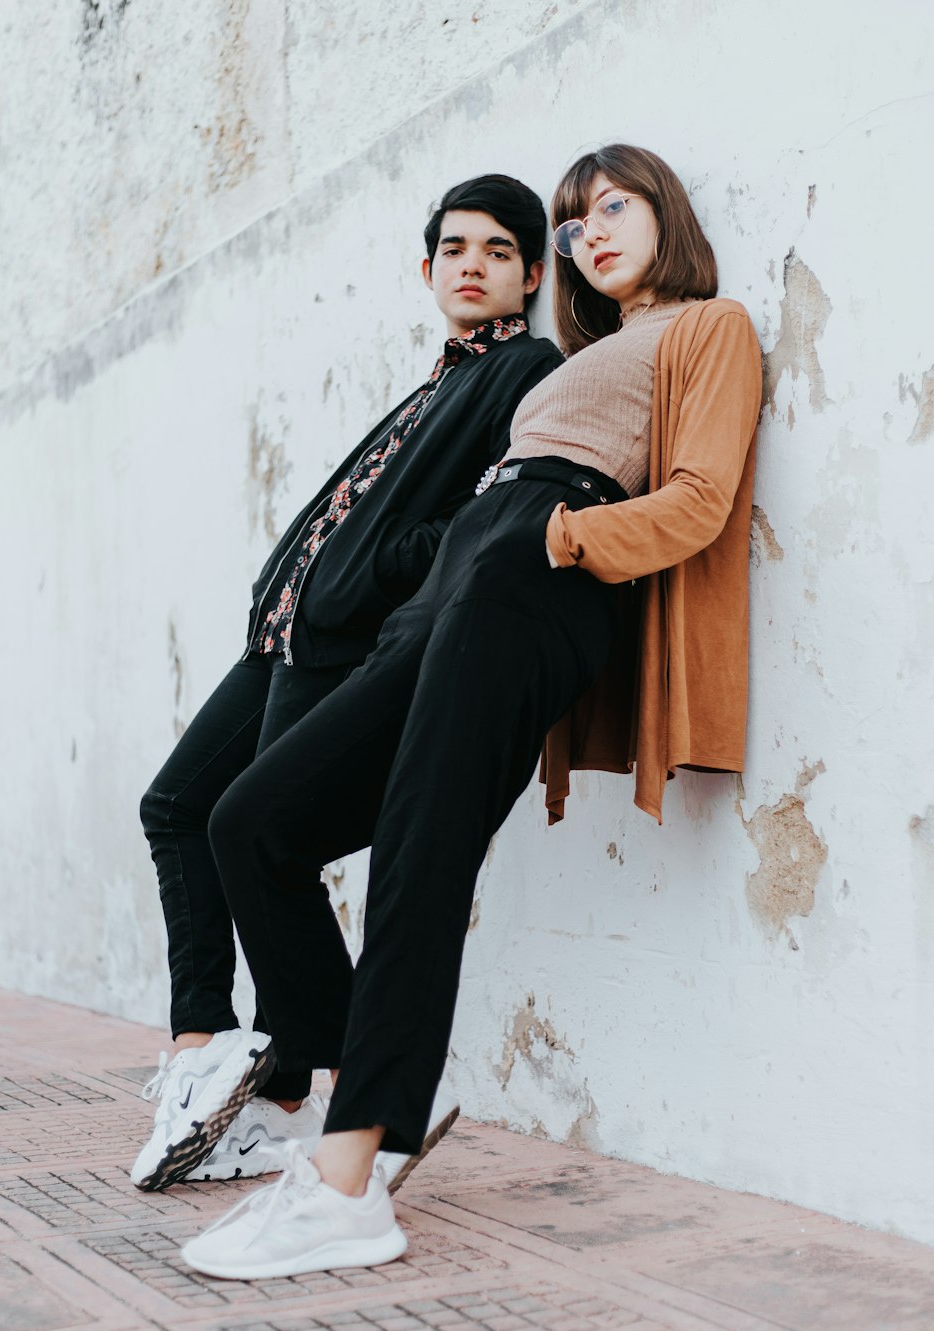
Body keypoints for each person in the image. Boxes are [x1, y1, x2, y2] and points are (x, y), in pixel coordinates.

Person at [178, 143, 763, 1281]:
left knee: (419, 844)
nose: (588, 234)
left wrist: (557, 542)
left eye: (612, 208)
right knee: (253, 819)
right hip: (462, 575)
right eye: (574, 222)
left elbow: (697, 499)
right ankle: (361, 1102)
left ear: (664, 214)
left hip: (535, 569)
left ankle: (349, 1181)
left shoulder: (710, 327)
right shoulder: (593, 348)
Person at [132, 174, 563, 1192]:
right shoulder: (432, 380)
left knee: (259, 829)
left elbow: (482, 514)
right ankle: (204, 1047)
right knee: (177, 805)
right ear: (427, 269)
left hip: (337, 637)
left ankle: (291, 1085)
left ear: (531, 274)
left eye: (498, 251)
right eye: (455, 248)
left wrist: (357, 579)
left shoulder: (524, 368)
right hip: (279, 632)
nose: (473, 264)